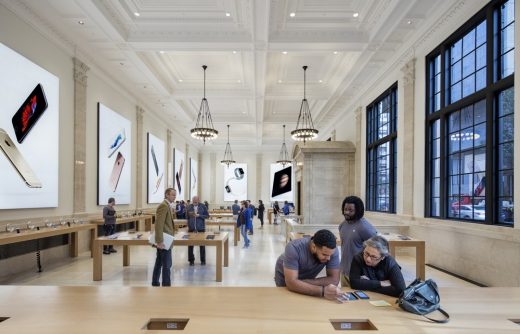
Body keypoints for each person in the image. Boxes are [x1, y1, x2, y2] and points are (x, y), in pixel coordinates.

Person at [274, 229, 342, 300]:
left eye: (330, 255)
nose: (328, 259)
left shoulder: (331, 251)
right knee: (287, 300)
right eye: (324, 254)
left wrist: (300, 283)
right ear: (313, 247)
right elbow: (291, 283)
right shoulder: (293, 247)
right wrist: (322, 291)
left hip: (305, 277)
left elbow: (334, 280)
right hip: (285, 275)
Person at [338, 196, 377, 286]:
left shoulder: (364, 227)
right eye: (345, 209)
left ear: (358, 211)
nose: (347, 212)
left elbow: (378, 247)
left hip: (359, 272)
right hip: (344, 270)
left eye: (351, 210)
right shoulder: (342, 225)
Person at [152, 188, 177, 287]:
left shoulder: (167, 205)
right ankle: (166, 285)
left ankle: (155, 282)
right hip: (164, 241)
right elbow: (158, 224)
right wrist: (159, 241)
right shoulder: (163, 206)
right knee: (167, 265)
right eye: (172, 195)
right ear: (166, 195)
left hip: (166, 239)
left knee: (159, 262)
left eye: (175, 195)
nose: (174, 197)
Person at [187, 196, 209, 265]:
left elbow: (207, 216)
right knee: (190, 245)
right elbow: (187, 217)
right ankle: (191, 261)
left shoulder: (203, 206)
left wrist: (199, 215)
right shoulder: (189, 207)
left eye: (196, 202)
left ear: (198, 201)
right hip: (191, 229)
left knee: (202, 245)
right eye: (193, 202)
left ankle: (203, 260)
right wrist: (189, 224)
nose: (194, 203)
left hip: (201, 228)